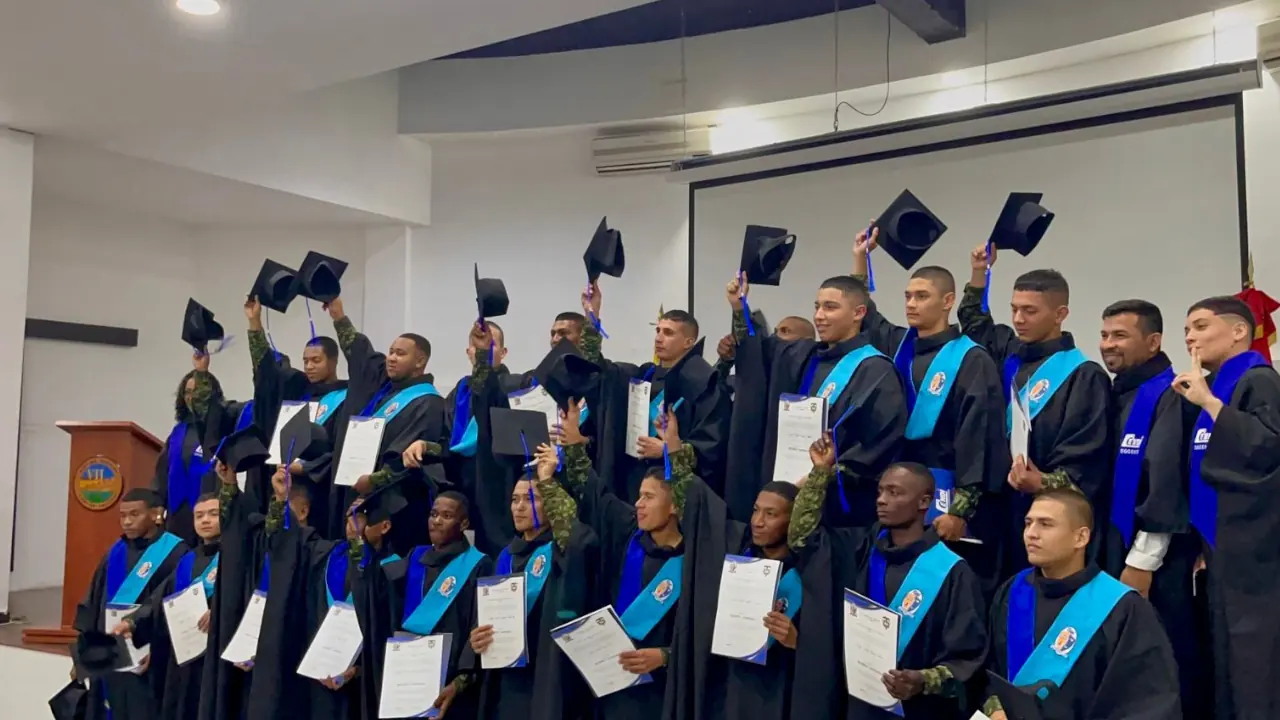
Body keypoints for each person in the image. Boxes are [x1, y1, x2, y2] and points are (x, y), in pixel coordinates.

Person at [853, 228, 1008, 594]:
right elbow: (868, 317)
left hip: (947, 494)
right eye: (907, 296)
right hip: (899, 494)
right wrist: (861, 257)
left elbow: (979, 439)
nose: (911, 304)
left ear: (947, 301)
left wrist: (960, 510)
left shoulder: (971, 358)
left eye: (922, 296)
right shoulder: (898, 345)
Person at [795, 442, 987, 719]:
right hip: (857, 702)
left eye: (894, 492)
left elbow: (968, 662)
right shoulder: (863, 547)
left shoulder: (952, 572)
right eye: (880, 491)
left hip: (917, 711)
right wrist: (820, 472)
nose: (881, 500)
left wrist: (922, 680)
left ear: (924, 502)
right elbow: (803, 540)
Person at [959, 245, 1111, 578]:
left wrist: (1042, 481)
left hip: (1048, 512)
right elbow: (974, 325)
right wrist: (979, 273)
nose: (1017, 320)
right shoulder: (1008, 353)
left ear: (1060, 314)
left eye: (1029, 311)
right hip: (998, 508)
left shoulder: (1083, 376)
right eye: (1014, 309)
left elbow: (1089, 458)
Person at [981, 489, 1181, 720]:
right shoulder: (1012, 593)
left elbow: (1148, 703)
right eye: (1028, 523)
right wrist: (995, 709)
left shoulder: (1123, 608)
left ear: (1081, 537)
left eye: (1046, 524)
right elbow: (990, 673)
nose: (1031, 534)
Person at [727, 272, 907, 527]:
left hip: (834, 509)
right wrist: (739, 307)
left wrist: (820, 477)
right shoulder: (803, 356)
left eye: (830, 307)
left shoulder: (876, 371)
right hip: (783, 495)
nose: (819, 316)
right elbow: (758, 354)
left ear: (858, 313)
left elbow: (878, 444)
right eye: (817, 307)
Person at [468, 372, 599, 720]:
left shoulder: (562, 547)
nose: (519, 506)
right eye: (514, 500)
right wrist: (477, 639)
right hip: (504, 683)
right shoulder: (503, 557)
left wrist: (547, 480)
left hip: (547, 678)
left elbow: (572, 533)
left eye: (530, 499)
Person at [1095, 299, 1204, 712]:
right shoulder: (1118, 392)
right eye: (1105, 335)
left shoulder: (1171, 394)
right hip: (1116, 546)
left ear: (1154, 341)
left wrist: (1142, 561)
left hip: (1156, 561)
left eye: (1120, 335)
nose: (1108, 344)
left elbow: (1167, 482)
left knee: (1164, 658)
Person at [1175, 295, 1280, 719]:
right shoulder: (1214, 385)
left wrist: (1210, 405)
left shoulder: (1259, 380)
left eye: (1200, 326)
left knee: (1255, 658)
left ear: (1239, 331)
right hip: (1220, 546)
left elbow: (1268, 445)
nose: (1190, 338)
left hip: (1256, 548)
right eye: (1186, 330)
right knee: (1224, 656)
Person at [555, 405, 691, 720]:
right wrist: (574, 445)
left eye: (649, 497)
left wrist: (665, 656)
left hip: (662, 691)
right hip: (611, 678)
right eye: (639, 496)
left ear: (674, 507)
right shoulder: (629, 533)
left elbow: (702, 635)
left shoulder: (696, 556)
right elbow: (595, 493)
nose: (639, 504)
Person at [663, 468, 806, 720]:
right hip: (726, 690)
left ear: (794, 520)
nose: (757, 521)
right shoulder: (737, 555)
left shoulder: (810, 575)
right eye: (755, 510)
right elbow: (704, 511)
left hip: (777, 695)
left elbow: (827, 653)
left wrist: (798, 642)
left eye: (770, 514)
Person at [581, 282, 732, 499]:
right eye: (658, 330)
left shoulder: (703, 384)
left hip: (673, 488)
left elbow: (712, 447)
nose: (658, 338)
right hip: (631, 482)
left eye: (668, 333)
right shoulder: (644, 375)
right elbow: (596, 369)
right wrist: (592, 316)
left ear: (689, 342)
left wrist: (666, 449)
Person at [325, 294, 447, 550]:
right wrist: (338, 316)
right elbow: (362, 355)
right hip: (359, 497)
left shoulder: (428, 402)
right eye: (391, 352)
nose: (391, 358)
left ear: (420, 361)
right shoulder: (384, 390)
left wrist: (374, 481)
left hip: (395, 509)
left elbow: (415, 463)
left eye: (400, 354)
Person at [360, 491, 492, 719]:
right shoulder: (415, 557)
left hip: (451, 684)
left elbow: (479, 623)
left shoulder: (479, 564)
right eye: (433, 514)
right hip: (408, 677)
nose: (437, 521)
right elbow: (381, 596)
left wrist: (461, 680)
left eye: (447, 515)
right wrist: (368, 545)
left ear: (464, 524)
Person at [73, 488, 188, 720]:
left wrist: (158, 650)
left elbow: (175, 606)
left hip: (148, 657)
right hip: (108, 653)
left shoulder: (176, 552)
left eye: (134, 514)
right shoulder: (115, 552)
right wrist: (81, 656)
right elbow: (93, 604)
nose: (126, 521)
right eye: (122, 515)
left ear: (156, 514)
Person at [115, 491, 222, 720]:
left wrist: (221, 611)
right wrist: (132, 622)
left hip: (216, 656)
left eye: (213, 514)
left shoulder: (239, 557)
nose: (205, 520)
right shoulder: (188, 560)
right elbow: (158, 599)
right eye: (199, 515)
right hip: (182, 656)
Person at [153, 352, 224, 546]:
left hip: (209, 508)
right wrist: (158, 503)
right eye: (187, 392)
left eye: (197, 391)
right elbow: (163, 470)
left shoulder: (220, 427)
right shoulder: (177, 432)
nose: (191, 397)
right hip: (178, 511)